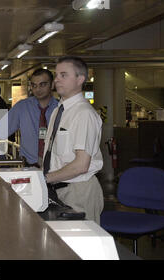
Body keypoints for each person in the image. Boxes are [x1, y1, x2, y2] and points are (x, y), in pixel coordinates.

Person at [43, 56, 104, 224]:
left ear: (80, 79)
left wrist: (43, 179)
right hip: (59, 189)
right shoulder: (59, 111)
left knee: (82, 247)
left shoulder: (83, 113)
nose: (57, 80)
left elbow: (81, 165)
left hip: (78, 191)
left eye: (64, 75)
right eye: (56, 75)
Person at [0, 69, 58, 167]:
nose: (38, 89)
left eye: (43, 84)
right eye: (34, 85)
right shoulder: (22, 107)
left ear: (52, 85)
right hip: (30, 166)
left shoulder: (62, 109)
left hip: (58, 167)